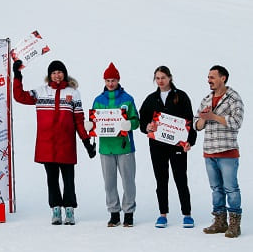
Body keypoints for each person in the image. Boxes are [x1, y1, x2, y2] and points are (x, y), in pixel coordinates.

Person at [13, 59, 95, 225]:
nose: (57, 75)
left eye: (60, 72)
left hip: (66, 143)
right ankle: (56, 209)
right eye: (54, 72)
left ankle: (70, 210)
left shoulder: (73, 93)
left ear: (65, 73)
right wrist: (17, 75)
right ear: (49, 75)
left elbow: (79, 120)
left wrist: (86, 142)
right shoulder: (41, 91)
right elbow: (19, 97)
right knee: (51, 179)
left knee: (68, 178)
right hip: (47, 144)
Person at [139, 66, 197, 228]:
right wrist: (147, 127)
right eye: (157, 78)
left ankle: (187, 214)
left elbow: (189, 121)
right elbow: (142, 120)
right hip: (157, 146)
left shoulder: (181, 96)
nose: (160, 81)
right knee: (161, 180)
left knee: (180, 179)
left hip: (177, 145)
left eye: (163, 77)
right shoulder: (151, 99)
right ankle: (162, 214)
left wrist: (190, 141)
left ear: (170, 78)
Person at [194, 65, 244, 238]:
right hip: (209, 152)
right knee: (216, 188)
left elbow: (237, 122)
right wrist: (203, 118)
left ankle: (234, 224)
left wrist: (213, 116)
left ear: (223, 78)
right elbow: (196, 125)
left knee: (231, 188)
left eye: (212, 77)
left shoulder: (233, 98)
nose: (209, 80)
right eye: (208, 77)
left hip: (227, 151)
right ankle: (220, 222)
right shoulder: (206, 99)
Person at [88, 62, 139, 227]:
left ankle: (129, 212)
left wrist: (129, 125)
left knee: (128, 181)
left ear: (118, 80)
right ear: (104, 81)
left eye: (113, 80)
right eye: (108, 80)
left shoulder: (127, 99)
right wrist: (89, 125)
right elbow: (94, 120)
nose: (111, 83)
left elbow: (136, 120)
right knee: (109, 182)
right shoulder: (99, 100)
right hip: (106, 147)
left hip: (124, 147)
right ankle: (114, 213)